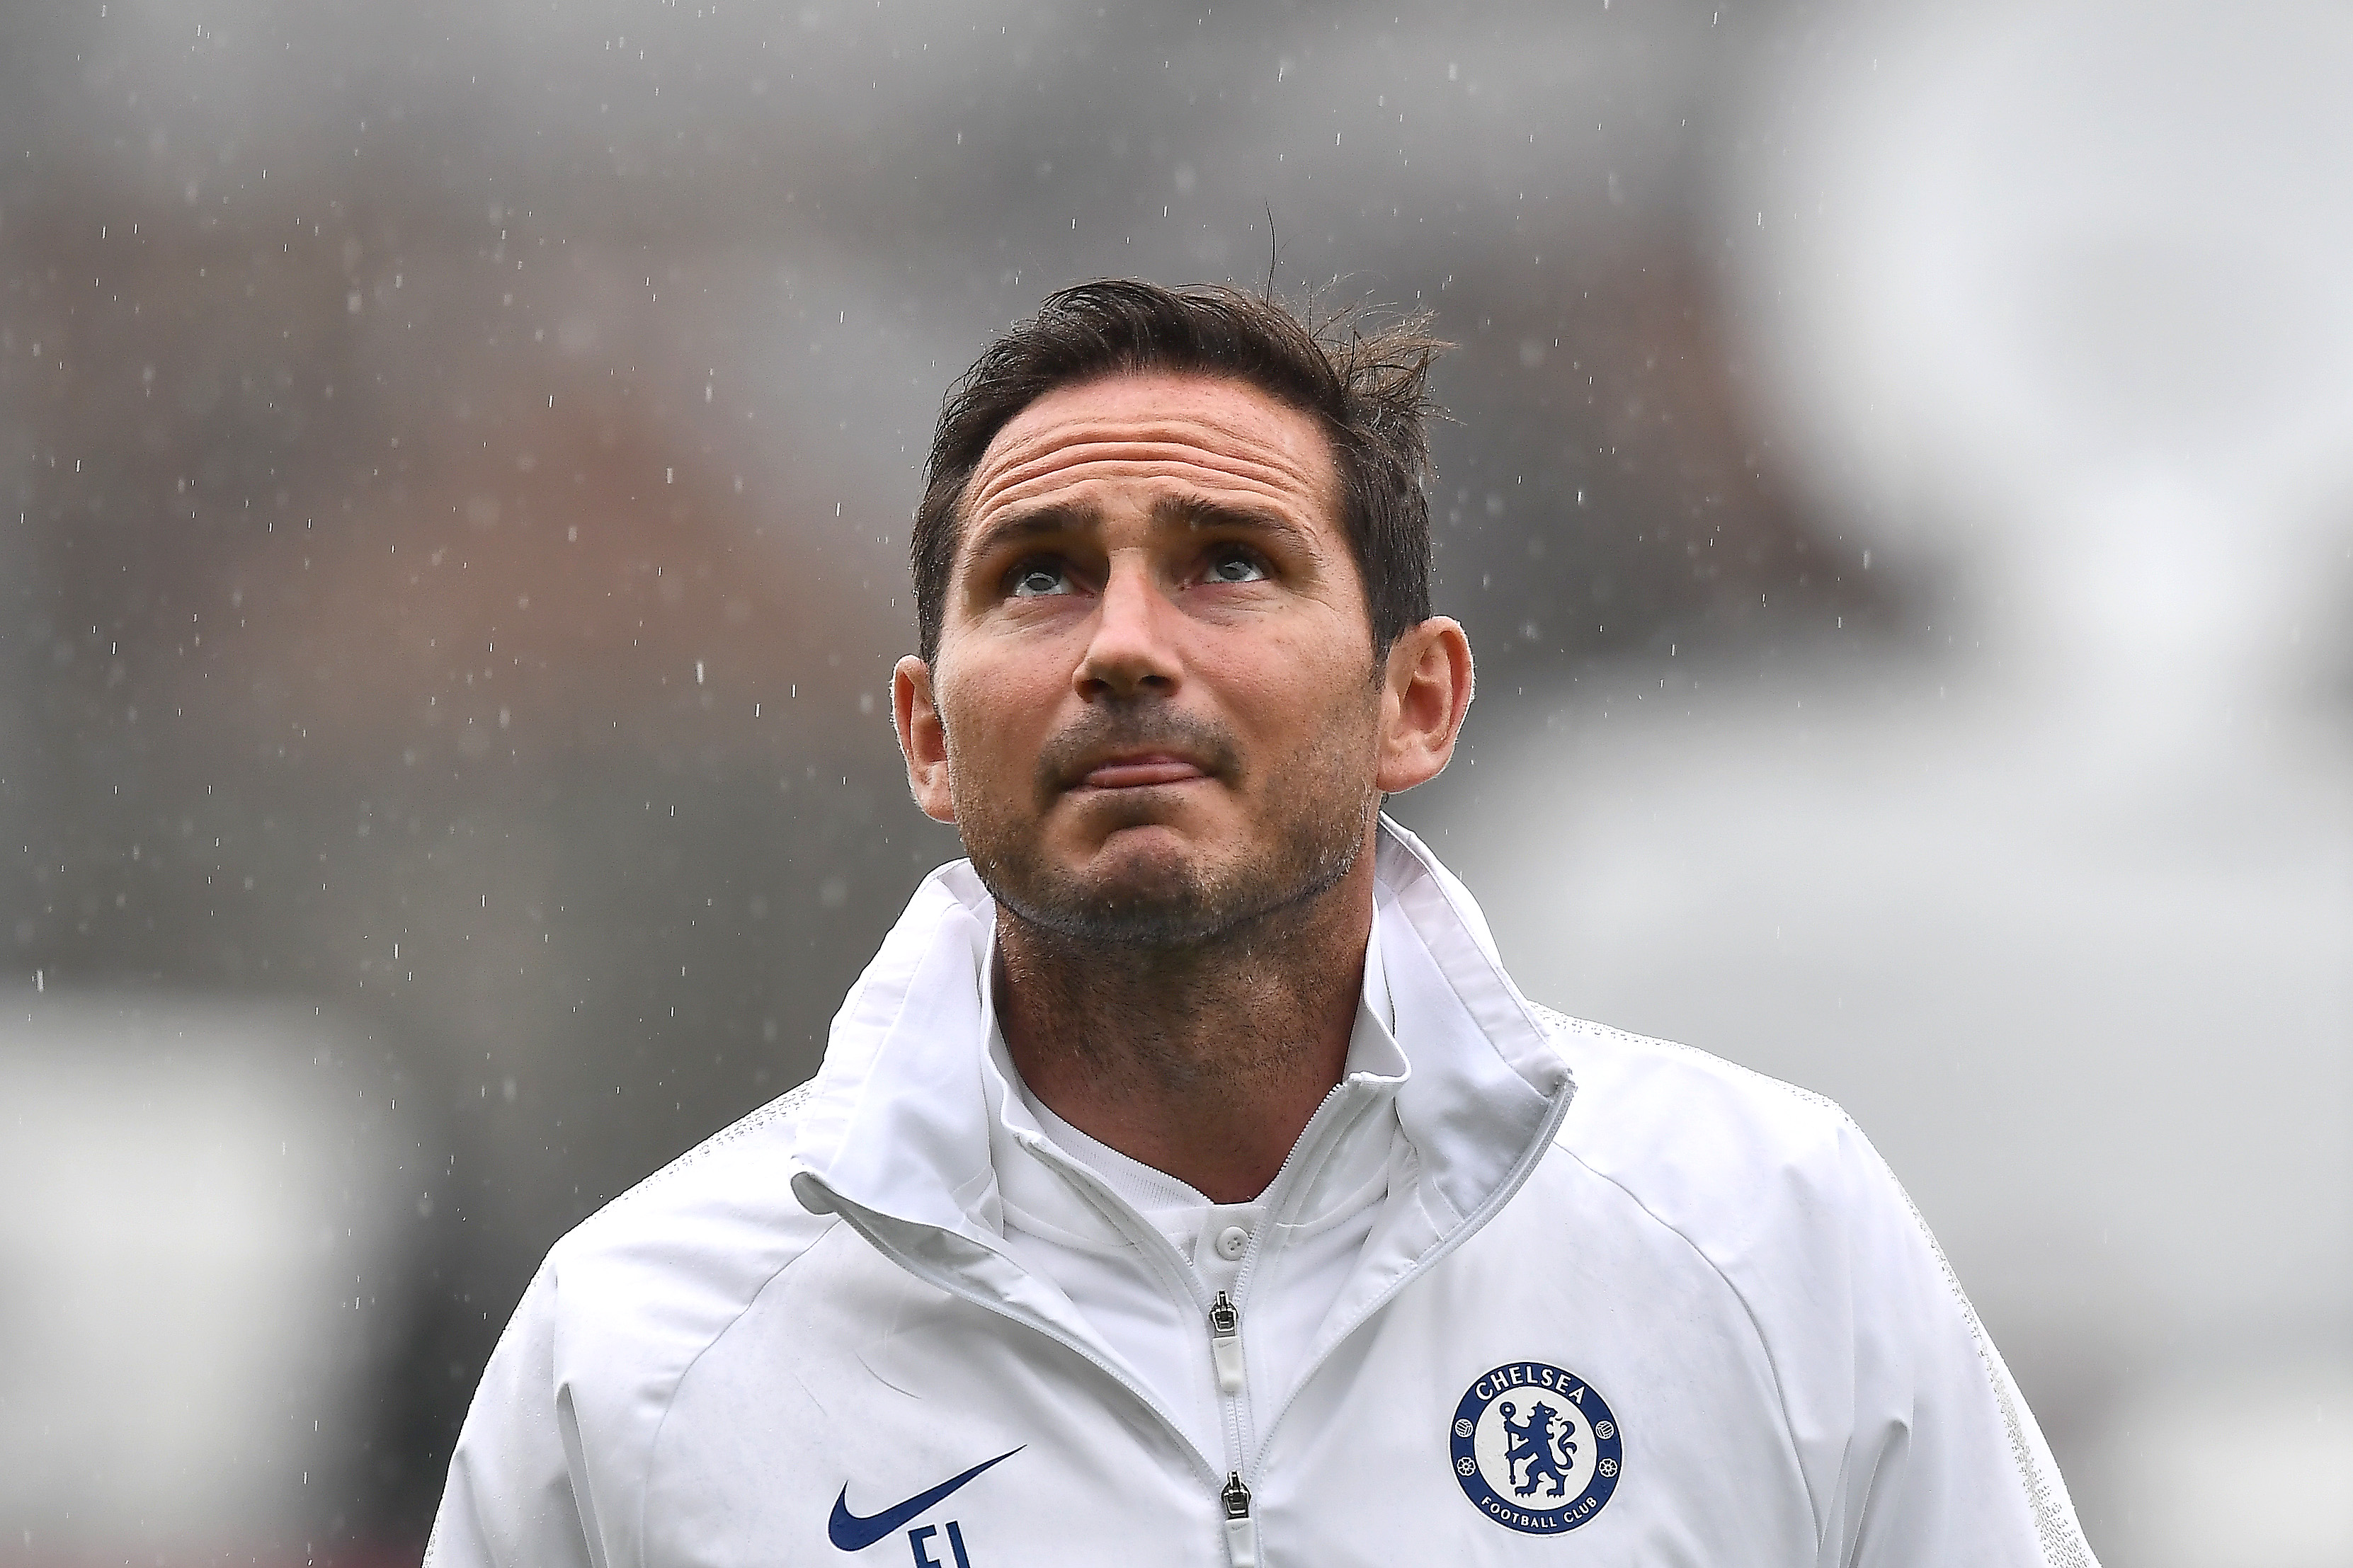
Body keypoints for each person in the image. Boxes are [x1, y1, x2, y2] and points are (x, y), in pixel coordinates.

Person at [427, 281, 2097, 1567]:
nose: (1127, 645)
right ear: (930, 734)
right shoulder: (642, 1348)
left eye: (1230, 564)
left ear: (1415, 704)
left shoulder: (1766, 1238)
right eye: (1040, 575)